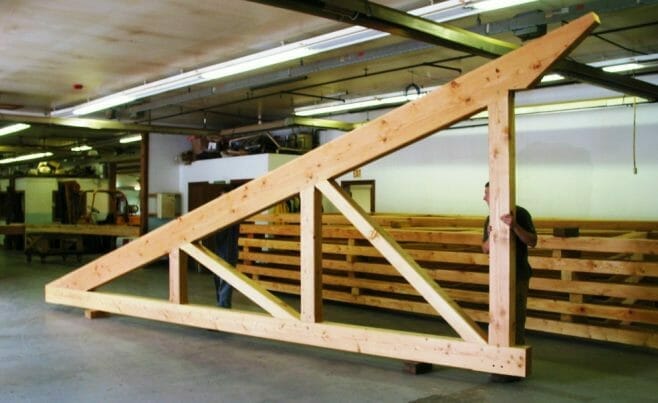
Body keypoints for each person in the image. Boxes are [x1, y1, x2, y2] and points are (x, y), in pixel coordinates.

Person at [481, 182, 537, 382]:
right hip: (498, 278)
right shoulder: (490, 218)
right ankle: (499, 363)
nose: (484, 198)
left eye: (487, 194)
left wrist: (514, 226)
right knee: (497, 320)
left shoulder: (521, 214)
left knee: (516, 319)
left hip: (518, 275)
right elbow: (485, 249)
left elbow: (532, 241)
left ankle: (515, 367)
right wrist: (490, 234)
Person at [213, 223, 240, 308]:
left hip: (222, 220)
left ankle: (222, 302)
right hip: (227, 220)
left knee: (222, 260)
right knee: (228, 261)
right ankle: (223, 304)